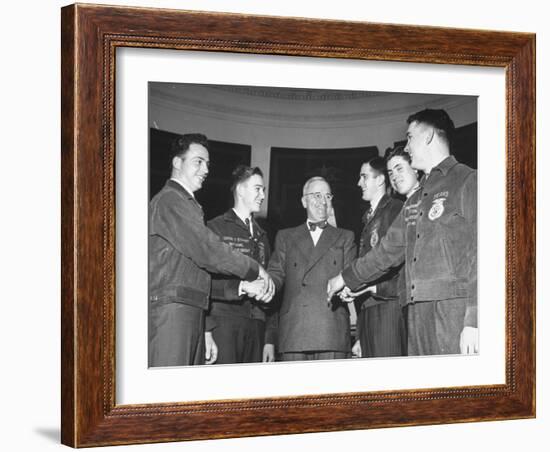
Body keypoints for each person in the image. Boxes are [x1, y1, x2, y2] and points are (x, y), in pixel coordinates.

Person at [328, 109, 478, 355]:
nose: (406, 147)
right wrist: (344, 278)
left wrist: (474, 320)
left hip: (452, 313)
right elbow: (385, 253)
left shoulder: (468, 180)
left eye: (410, 138)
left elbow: (483, 254)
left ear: (428, 135)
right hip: (415, 314)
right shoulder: (415, 199)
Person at [149, 133, 274, 367]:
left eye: (207, 163)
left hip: (191, 308)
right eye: (198, 161)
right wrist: (254, 269)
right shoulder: (170, 201)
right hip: (175, 309)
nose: (206, 169)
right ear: (177, 163)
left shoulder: (188, 204)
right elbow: (207, 250)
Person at [268, 176, 356, 361]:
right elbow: (276, 275)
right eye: (316, 195)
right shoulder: (285, 237)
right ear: (304, 201)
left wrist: (348, 289)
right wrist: (264, 285)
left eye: (327, 196)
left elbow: (351, 276)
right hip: (294, 332)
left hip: (331, 331)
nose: (323, 201)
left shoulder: (345, 237)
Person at [206, 166, 277, 364]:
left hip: (256, 326)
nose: (262, 195)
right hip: (224, 324)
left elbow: (271, 288)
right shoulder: (215, 228)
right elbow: (203, 282)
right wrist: (206, 330)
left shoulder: (263, 236)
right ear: (240, 190)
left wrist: (269, 339)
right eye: (257, 189)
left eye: (263, 190)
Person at [347, 156, 406, 358]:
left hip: (388, 309)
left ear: (380, 180)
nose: (359, 183)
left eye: (364, 177)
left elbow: (399, 265)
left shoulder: (395, 209)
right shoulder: (368, 218)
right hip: (369, 309)